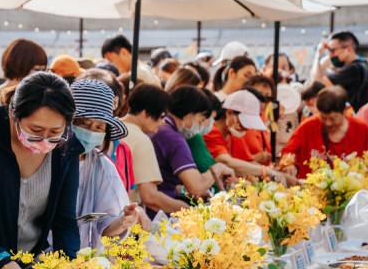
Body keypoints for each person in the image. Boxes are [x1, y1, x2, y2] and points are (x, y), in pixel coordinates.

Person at [0, 72, 82, 269]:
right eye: (35, 131)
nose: (44, 141)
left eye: (55, 132)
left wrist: (69, 267)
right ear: (13, 113)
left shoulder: (67, 147)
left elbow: (65, 220)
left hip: (33, 267)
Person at [70, 79, 146, 250]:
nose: (90, 131)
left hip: (82, 263)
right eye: (83, 123)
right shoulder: (46, 161)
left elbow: (107, 228)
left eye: (99, 127)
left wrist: (123, 220)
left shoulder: (102, 166)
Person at [149, 86, 234, 215]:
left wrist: (186, 193)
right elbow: (196, 186)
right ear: (189, 115)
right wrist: (219, 168)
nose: (199, 127)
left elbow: (169, 185)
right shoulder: (174, 138)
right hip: (159, 213)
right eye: (200, 120)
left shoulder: (162, 129)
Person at [281, 86, 368, 178]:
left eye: (333, 118)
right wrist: (289, 164)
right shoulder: (308, 126)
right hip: (312, 190)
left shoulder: (361, 129)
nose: (328, 123)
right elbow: (289, 152)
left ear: (344, 111)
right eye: (323, 118)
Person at [204, 90, 295, 184]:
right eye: (243, 123)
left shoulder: (233, 133)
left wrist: (276, 174)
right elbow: (226, 162)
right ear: (229, 113)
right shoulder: (211, 132)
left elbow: (249, 162)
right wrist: (265, 171)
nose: (245, 129)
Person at [120, 84, 170, 213]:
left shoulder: (110, 127)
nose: (163, 122)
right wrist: (186, 209)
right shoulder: (141, 141)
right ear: (146, 112)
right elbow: (150, 196)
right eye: (162, 115)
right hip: (125, 216)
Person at [0, 39, 47, 112]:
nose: (41, 75)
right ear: (18, 66)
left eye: (44, 70)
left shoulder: (42, 98)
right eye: (37, 70)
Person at [311, 31, 368, 112]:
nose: (331, 55)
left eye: (333, 51)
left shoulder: (353, 69)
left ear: (348, 49)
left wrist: (318, 55)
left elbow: (317, 82)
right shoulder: (360, 67)